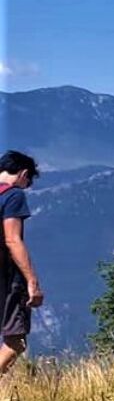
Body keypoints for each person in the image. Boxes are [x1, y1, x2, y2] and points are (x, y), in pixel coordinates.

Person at [0, 151, 42, 386]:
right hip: (6, 277)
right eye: (29, 181)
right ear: (23, 174)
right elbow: (12, 240)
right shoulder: (13, 195)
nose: (27, 186)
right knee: (16, 340)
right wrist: (32, 281)